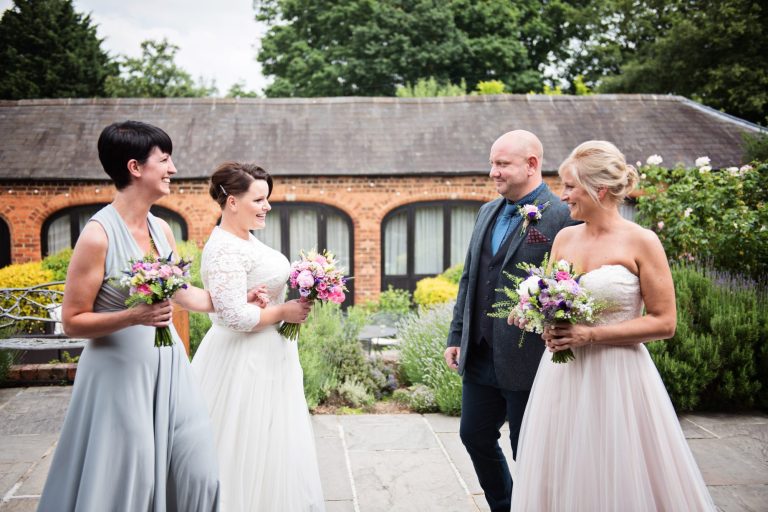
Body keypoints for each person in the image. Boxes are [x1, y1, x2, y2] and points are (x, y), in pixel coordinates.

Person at [38, 121, 234, 511]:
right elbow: (73, 320)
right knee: (131, 479)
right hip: (119, 377)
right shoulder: (98, 236)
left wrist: (232, 300)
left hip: (170, 366)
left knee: (200, 469)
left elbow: (183, 293)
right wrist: (133, 316)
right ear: (135, 168)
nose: (173, 168)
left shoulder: (161, 228)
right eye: (164, 160)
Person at [510, 141, 716, 510]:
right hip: (563, 378)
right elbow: (556, 302)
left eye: (570, 186)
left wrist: (591, 334)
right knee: (563, 470)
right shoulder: (564, 238)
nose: (564, 195)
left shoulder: (642, 241)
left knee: (620, 471)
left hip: (619, 378)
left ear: (598, 190)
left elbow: (665, 322)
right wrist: (540, 319)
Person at [444, 130, 575, 511]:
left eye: (502, 164)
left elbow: (569, 283)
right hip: (481, 352)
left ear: (532, 164)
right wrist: (457, 335)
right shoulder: (487, 211)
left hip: (528, 356)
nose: (493, 173)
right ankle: (505, 505)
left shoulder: (561, 215)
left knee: (527, 447)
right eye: (492, 163)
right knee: (474, 435)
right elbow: (470, 278)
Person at [190, 162, 324, 511]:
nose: (267, 206)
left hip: (270, 355)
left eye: (268, 198)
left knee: (273, 445)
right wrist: (281, 312)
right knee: (241, 445)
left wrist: (264, 300)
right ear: (232, 201)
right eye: (259, 199)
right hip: (242, 361)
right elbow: (232, 316)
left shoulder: (244, 238)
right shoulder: (223, 249)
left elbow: (238, 298)